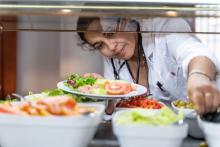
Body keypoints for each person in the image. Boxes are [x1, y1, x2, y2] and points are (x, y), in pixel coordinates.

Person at [76, 16, 220, 114]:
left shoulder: (163, 26)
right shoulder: (112, 58)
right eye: (100, 45)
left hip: (200, 119)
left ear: (125, 20)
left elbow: (194, 52)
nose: (111, 47)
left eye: (110, 33)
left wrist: (198, 76)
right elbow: (117, 107)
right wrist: (101, 95)